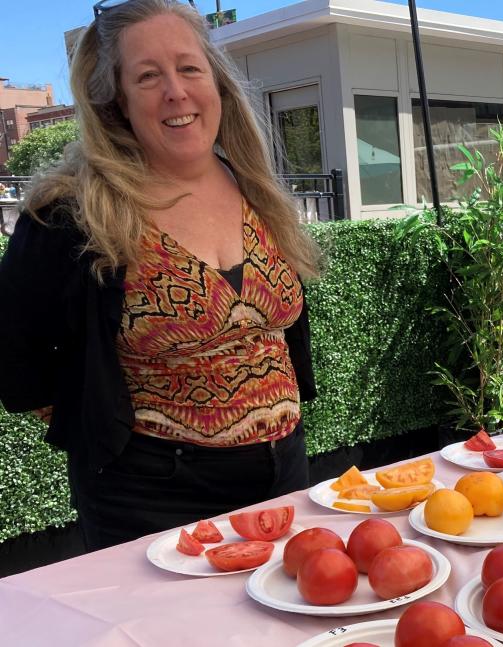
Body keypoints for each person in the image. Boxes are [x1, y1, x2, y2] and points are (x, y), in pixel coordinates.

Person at [0, 0, 321, 551]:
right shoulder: (72, 213)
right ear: (116, 100)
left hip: (283, 471)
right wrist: (108, 428)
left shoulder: (253, 184)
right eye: (148, 76)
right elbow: (13, 359)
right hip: (150, 497)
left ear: (216, 82)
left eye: (189, 68)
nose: (176, 91)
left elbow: (280, 333)